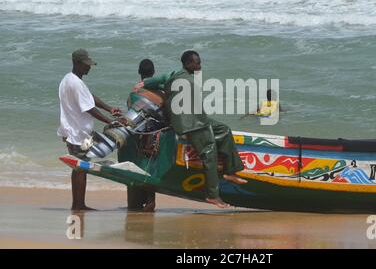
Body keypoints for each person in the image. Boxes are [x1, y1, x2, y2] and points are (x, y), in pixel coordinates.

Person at [135, 51, 247, 208]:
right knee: (209, 153)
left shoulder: (174, 75)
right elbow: (155, 82)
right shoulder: (178, 76)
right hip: (190, 123)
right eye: (197, 63)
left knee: (224, 130)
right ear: (188, 64)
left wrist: (146, 84)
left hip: (199, 119)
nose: (200, 66)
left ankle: (230, 171)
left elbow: (157, 82)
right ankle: (213, 195)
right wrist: (143, 86)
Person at [57, 49, 122, 211]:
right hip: (79, 134)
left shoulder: (68, 79)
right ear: (77, 63)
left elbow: (89, 97)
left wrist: (109, 108)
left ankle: (78, 204)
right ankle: (79, 205)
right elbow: (89, 108)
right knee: (81, 168)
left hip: (74, 132)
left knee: (80, 168)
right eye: (86, 65)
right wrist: (110, 122)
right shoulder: (75, 83)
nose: (89, 67)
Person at [124, 59, 157, 212]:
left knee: (134, 167)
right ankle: (150, 202)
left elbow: (131, 112)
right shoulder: (159, 92)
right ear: (154, 73)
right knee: (150, 168)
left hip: (137, 137)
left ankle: (133, 204)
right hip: (154, 136)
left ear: (139, 72)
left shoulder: (134, 93)